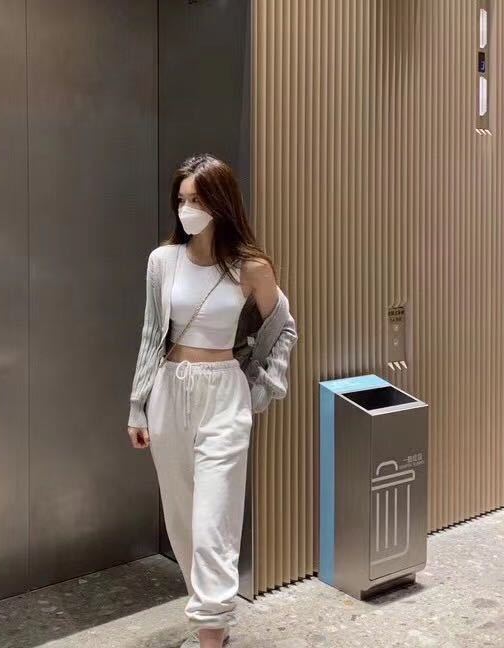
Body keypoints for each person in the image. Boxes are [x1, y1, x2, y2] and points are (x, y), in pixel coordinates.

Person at [126, 153, 297, 648]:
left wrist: (262, 384)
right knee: (182, 521)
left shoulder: (251, 268)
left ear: (221, 203)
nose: (187, 209)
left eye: (197, 200)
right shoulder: (163, 261)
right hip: (168, 391)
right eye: (181, 200)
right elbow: (151, 336)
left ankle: (210, 635)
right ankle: (211, 623)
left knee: (213, 522)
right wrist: (137, 405)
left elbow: (283, 328)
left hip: (223, 394)